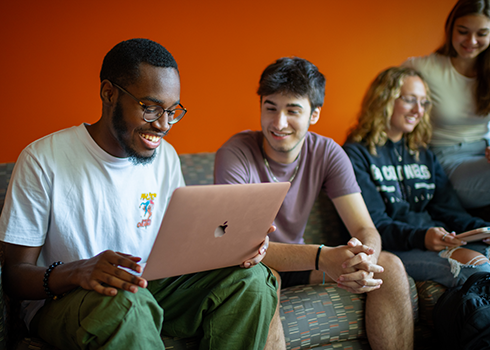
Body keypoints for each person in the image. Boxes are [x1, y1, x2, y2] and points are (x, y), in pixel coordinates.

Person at [0, 38, 279, 350]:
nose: (163, 124)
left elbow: (181, 246)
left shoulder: (166, 157)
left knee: (253, 282)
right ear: (109, 93)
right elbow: (14, 276)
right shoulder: (42, 159)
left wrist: (237, 245)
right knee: (125, 302)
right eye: (150, 108)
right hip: (68, 301)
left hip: (147, 288)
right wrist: (78, 271)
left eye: (172, 111)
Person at [214, 57, 414, 350]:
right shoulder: (235, 153)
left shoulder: (327, 152)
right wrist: (322, 257)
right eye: (270, 108)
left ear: (314, 114)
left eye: (293, 110)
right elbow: (239, 244)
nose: (279, 123)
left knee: (391, 266)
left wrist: (365, 260)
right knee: (264, 279)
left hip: (298, 262)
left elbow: (363, 226)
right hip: (253, 264)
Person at [343, 66, 490, 289]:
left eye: (424, 103)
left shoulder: (422, 153)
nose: (418, 111)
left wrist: (484, 229)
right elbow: (372, 225)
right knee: (477, 267)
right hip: (395, 249)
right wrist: (421, 237)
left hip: (435, 241)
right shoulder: (356, 154)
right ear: (384, 100)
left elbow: (448, 209)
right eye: (410, 100)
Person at [402, 0, 490, 216]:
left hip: (483, 153)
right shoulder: (422, 68)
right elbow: (383, 106)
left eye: (482, 33)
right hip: (445, 162)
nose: (471, 41)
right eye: (463, 31)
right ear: (450, 28)